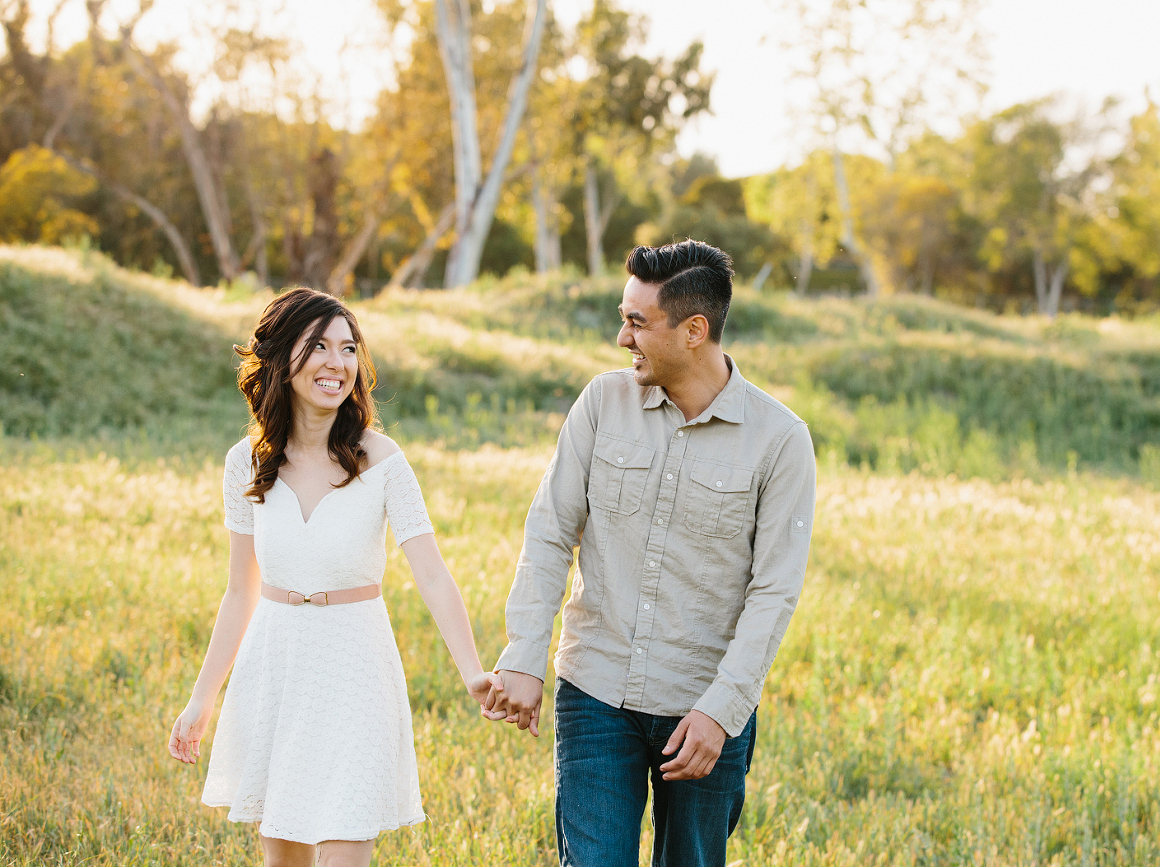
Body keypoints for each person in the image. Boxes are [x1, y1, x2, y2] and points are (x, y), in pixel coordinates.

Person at [484, 240, 817, 867]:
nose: (621, 337)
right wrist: (525, 653)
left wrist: (721, 712)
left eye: (637, 322)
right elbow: (551, 530)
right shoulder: (601, 404)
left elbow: (773, 592)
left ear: (695, 330)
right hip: (594, 691)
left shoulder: (780, 441)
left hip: (703, 707)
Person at [167, 287, 498, 867]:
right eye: (316, 346)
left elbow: (433, 575)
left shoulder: (384, 460)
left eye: (348, 349)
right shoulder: (245, 463)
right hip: (277, 666)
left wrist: (471, 671)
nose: (336, 363)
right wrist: (202, 699)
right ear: (280, 359)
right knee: (284, 858)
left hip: (356, 669)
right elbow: (240, 590)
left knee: (347, 844)